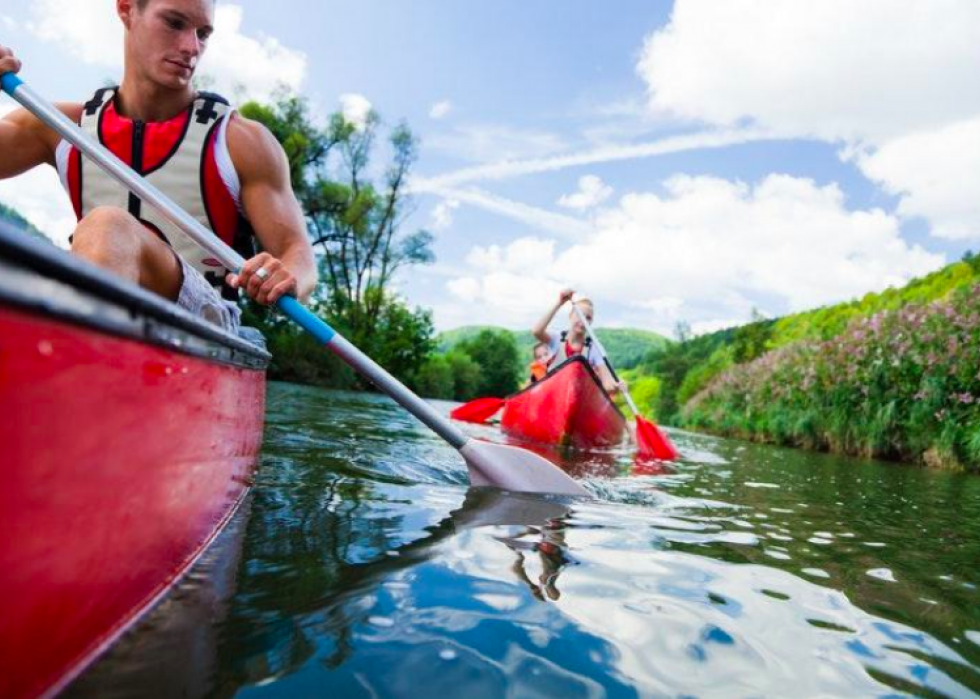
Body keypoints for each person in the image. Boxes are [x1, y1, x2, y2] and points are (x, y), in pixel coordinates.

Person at [0, 0, 317, 336]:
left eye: (203, 34)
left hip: (206, 321)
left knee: (108, 226)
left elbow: (299, 256)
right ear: (126, 10)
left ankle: (79, 365)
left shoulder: (242, 141)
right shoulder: (58, 126)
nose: (191, 47)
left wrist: (287, 274)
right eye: (174, 23)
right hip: (92, 298)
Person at [531, 288, 625, 395]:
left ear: (591, 322)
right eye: (579, 315)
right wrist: (560, 303)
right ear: (571, 316)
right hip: (552, 397)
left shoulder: (595, 348)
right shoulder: (557, 339)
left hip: (578, 400)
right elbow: (537, 331)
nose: (583, 321)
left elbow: (607, 383)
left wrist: (616, 386)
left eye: (588, 318)